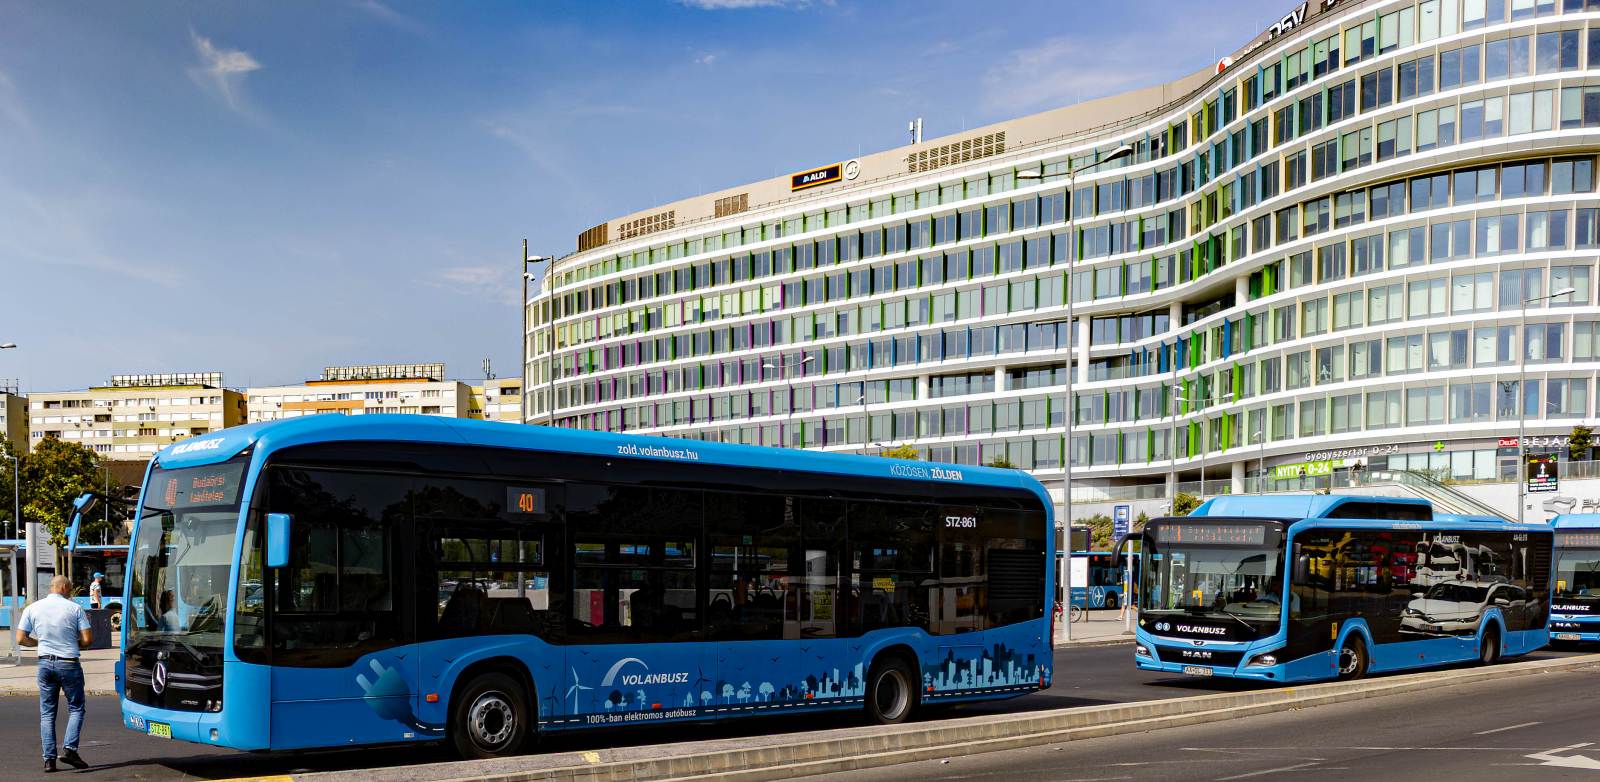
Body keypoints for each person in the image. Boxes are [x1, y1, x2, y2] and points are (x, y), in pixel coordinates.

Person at [16, 575, 93, 772]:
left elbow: (21, 638)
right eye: (70, 588)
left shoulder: (33, 608)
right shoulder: (74, 608)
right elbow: (87, 639)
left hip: (44, 664)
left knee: (47, 714)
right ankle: (69, 749)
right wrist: (71, 643)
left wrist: (39, 643)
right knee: (76, 707)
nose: (70, 591)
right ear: (64, 587)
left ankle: (49, 760)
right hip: (68, 663)